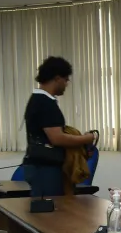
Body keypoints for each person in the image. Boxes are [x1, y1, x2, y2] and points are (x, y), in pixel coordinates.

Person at [22, 56, 98, 197]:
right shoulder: (45, 103)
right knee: (50, 214)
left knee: (51, 212)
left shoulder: (39, 100)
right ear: (57, 78)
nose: (67, 84)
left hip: (42, 166)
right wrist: (87, 139)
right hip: (45, 168)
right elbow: (57, 138)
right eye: (66, 79)